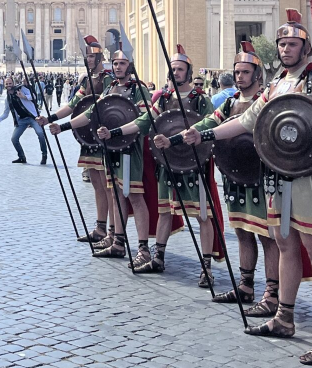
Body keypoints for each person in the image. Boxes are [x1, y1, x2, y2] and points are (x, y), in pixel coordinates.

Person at [192, 10, 312, 364]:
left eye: (292, 44)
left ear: (305, 47)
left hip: (310, 176)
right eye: (282, 44)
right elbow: (246, 121)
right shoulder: (275, 85)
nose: (286, 49)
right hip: (277, 176)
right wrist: (205, 134)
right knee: (285, 246)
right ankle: (284, 317)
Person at [185, 42, 279, 314]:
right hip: (234, 175)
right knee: (242, 231)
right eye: (237, 71)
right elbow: (208, 124)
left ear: (257, 75)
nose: (240, 76)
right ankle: (246, 286)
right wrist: (184, 135)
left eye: (245, 72)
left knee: (267, 236)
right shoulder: (229, 103)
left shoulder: (266, 101)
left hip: (261, 177)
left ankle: (272, 293)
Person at [65, 51, 152, 262]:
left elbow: (145, 119)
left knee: (135, 197)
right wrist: (63, 126)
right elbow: (90, 114)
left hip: (130, 150)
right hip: (111, 150)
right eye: (115, 63)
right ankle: (118, 242)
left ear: (130, 65)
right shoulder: (110, 88)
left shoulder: (138, 89)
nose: (118, 67)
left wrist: (116, 132)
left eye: (122, 63)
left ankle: (143, 249)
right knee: (115, 194)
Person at [148, 45, 218, 284]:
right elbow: (148, 120)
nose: (175, 73)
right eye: (173, 69)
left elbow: (211, 126)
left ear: (188, 72)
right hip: (168, 163)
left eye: (180, 69)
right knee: (164, 211)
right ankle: (158, 257)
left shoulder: (200, 99)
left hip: (194, 165)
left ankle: (206, 268)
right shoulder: (164, 99)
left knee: (202, 215)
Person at [42, 39, 111, 244]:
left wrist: (64, 126)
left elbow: (98, 107)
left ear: (99, 58)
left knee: (107, 185)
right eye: (87, 56)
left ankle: (114, 232)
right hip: (88, 137)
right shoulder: (87, 80)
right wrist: (50, 118)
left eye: (91, 56)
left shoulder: (108, 79)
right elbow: (73, 104)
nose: (88, 60)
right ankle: (100, 227)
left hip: (103, 136)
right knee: (96, 183)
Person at [0, 75, 48, 165]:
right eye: (7, 84)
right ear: (4, 85)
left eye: (10, 83)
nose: (8, 85)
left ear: (13, 83)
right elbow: (5, 113)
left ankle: (44, 155)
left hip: (33, 117)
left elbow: (33, 96)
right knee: (14, 138)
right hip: (21, 120)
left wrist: (23, 96)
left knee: (40, 133)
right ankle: (22, 157)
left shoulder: (21, 89)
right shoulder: (8, 98)